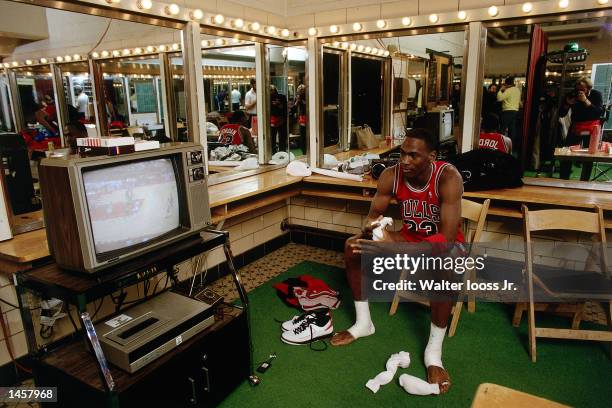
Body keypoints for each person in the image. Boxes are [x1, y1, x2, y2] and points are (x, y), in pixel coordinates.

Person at [331, 128, 464, 395]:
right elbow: (371, 217)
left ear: (432, 156)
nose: (405, 161)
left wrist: (396, 247)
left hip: (442, 245)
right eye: (402, 154)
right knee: (352, 246)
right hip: (406, 238)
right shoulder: (391, 175)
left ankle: (433, 353)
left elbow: (446, 240)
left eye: (413, 156)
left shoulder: (448, 177)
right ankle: (363, 323)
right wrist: (375, 230)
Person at [558, 76, 604, 180]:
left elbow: (598, 113)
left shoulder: (596, 94)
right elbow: (561, 114)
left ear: (588, 88)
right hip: (576, 127)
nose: (579, 92)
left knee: (590, 154)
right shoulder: (572, 94)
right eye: (578, 89)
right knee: (567, 153)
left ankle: (585, 180)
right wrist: (567, 104)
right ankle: (563, 179)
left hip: (592, 128)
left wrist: (586, 101)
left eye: (582, 90)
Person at [497, 77, 521, 151]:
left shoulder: (509, 90)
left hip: (507, 111)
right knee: (512, 130)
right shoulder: (517, 90)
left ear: (506, 84)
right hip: (516, 111)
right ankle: (511, 147)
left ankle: (500, 146)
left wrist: (500, 90)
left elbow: (499, 98)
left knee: (502, 129)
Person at [270, 85, 288, 153]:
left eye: (272, 90)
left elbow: (284, 109)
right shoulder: (267, 97)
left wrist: (279, 103)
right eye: (270, 91)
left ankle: (282, 151)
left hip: (281, 119)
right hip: (271, 119)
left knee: (282, 137)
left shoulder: (281, 97)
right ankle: (273, 152)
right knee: (272, 137)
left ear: (275, 90)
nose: (271, 92)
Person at [291, 84, 307, 154]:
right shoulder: (297, 98)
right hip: (302, 118)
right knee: (303, 136)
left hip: (309, 117)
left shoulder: (308, 96)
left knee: (308, 136)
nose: (301, 92)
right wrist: (297, 101)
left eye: (303, 90)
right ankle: (304, 151)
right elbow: (293, 109)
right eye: (300, 91)